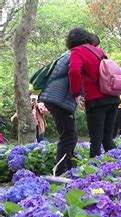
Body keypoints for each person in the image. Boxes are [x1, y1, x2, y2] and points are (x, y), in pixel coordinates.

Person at [68, 28, 121, 158]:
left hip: (96, 100)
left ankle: (93, 174)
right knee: (107, 139)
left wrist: (75, 93)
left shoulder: (77, 51)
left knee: (96, 141)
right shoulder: (98, 51)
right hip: (113, 97)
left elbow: (74, 71)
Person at [38, 43, 77, 175]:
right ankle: (60, 172)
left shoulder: (66, 55)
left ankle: (69, 169)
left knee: (69, 135)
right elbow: (75, 73)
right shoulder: (74, 55)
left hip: (54, 97)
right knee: (68, 136)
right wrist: (78, 94)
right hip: (58, 99)